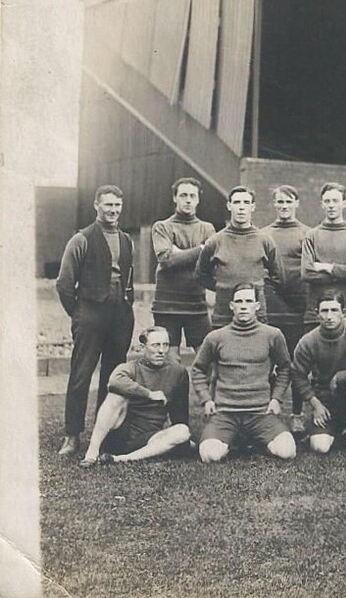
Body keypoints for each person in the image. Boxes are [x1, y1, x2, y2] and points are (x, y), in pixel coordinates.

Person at [55, 184, 135, 456]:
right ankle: (72, 435)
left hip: (119, 314)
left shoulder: (127, 240)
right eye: (108, 204)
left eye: (117, 205)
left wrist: (127, 306)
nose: (113, 210)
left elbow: (128, 278)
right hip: (90, 313)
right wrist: (78, 314)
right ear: (96, 206)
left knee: (114, 377)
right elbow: (64, 283)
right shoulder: (82, 239)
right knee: (81, 374)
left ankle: (107, 435)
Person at [191, 283, 297, 462]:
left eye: (248, 301)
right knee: (209, 455)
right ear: (231, 306)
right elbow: (198, 369)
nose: (243, 306)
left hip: (260, 412)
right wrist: (206, 399)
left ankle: (252, 440)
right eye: (239, 301)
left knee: (287, 451)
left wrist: (276, 398)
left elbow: (285, 368)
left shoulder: (272, 335)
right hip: (225, 412)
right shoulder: (216, 337)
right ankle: (236, 440)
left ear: (257, 306)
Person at [79, 326, 191, 467]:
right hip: (118, 434)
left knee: (182, 431)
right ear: (143, 347)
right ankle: (92, 452)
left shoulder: (177, 372)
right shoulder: (130, 367)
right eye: (156, 345)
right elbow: (115, 382)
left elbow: (180, 413)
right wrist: (149, 394)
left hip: (150, 437)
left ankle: (122, 459)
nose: (161, 351)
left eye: (165, 345)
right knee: (116, 397)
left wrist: (182, 440)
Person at [291, 291, 346, 457]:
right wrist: (315, 404)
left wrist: (339, 377)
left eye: (334, 310)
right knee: (320, 447)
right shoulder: (309, 340)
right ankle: (338, 429)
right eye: (324, 311)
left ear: (343, 312)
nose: (329, 316)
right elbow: (297, 374)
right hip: (325, 397)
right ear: (317, 313)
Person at [261, 185, 311, 433]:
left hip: (299, 303)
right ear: (274, 204)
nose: (283, 206)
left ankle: (297, 414)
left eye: (288, 201)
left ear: (296, 203)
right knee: (270, 360)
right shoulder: (264, 234)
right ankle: (270, 410)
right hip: (272, 303)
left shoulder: (307, 233)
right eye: (279, 201)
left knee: (296, 362)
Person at [195, 185, 282, 328]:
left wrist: (258, 291)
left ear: (253, 207)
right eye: (236, 202)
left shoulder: (265, 240)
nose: (241, 207)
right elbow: (201, 274)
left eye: (246, 202)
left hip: (256, 317)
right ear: (229, 206)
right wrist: (223, 288)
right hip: (224, 315)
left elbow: (278, 276)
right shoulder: (215, 241)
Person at [151, 177, 216, 362]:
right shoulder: (162, 227)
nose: (188, 200)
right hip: (167, 305)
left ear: (198, 199)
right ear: (175, 198)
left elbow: (210, 265)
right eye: (183, 195)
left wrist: (179, 253)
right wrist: (201, 249)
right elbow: (166, 260)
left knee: (208, 361)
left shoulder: (207, 228)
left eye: (192, 196)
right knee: (172, 364)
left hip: (196, 304)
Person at [301, 182, 346, 326]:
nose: (331, 205)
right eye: (327, 201)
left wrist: (327, 267)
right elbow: (307, 273)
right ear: (322, 204)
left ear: (344, 204)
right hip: (316, 314)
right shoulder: (311, 235)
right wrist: (344, 271)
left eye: (335, 201)